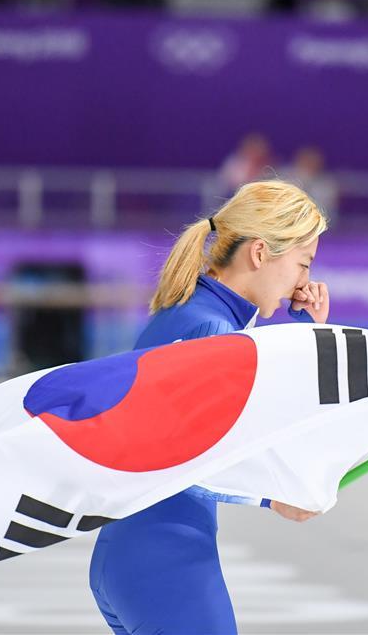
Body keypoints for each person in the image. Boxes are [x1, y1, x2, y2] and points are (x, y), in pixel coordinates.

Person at [89, 180, 330, 634]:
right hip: (165, 559)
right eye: (304, 263)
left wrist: (307, 336)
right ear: (260, 253)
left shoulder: (191, 313)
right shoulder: (213, 334)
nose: (305, 282)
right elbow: (187, 455)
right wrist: (271, 495)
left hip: (137, 553)